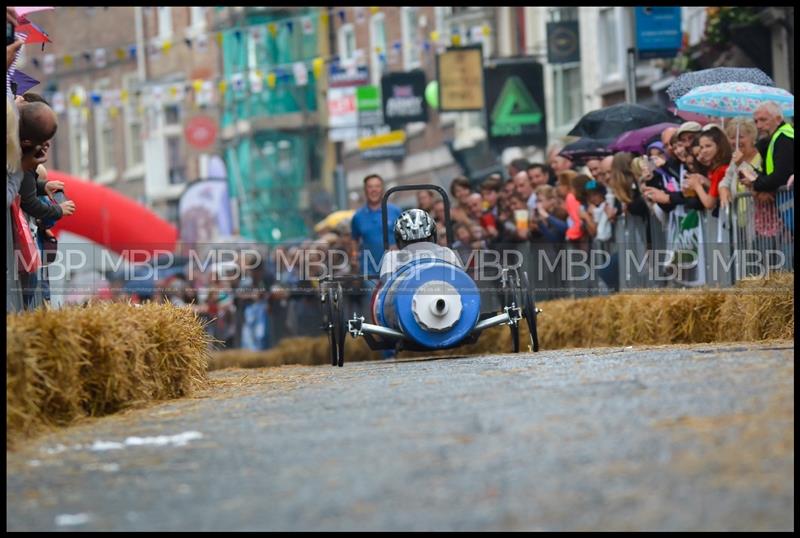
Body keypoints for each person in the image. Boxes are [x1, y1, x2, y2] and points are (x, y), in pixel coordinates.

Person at [379, 209, 461, 279]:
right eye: (410, 243)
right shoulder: (392, 257)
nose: (418, 247)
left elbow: (460, 280)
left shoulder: (446, 252)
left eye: (423, 240)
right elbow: (387, 286)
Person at [351, 174, 403, 277]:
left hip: (394, 269)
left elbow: (406, 236)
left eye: (377, 186)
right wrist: (354, 255)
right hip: (369, 272)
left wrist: (399, 246)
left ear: (382, 189)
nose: (374, 190)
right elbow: (354, 240)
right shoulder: (358, 216)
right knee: (371, 293)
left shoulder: (395, 211)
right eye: (370, 187)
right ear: (365, 190)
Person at [739, 101, 793, 194]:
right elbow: (768, 173)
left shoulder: (783, 137)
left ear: (778, 119)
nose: (758, 126)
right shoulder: (774, 138)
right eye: (756, 121)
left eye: (763, 120)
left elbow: (780, 177)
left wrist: (755, 183)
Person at [684, 124, 732, 211]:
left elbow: (709, 203)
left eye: (708, 146)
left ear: (719, 146)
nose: (704, 151)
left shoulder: (720, 169)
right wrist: (704, 180)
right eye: (701, 147)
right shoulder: (716, 168)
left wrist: (697, 185)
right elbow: (717, 189)